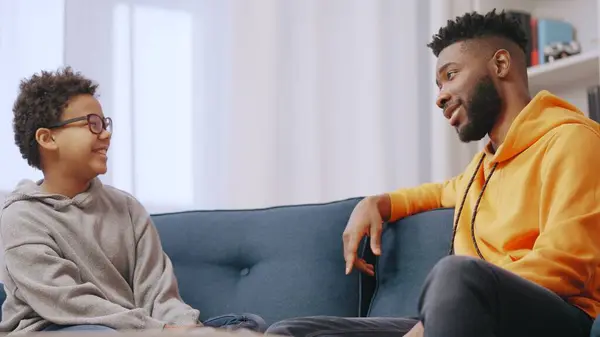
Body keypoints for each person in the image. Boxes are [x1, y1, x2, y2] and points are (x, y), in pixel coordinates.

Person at [266, 9, 600, 337]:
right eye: (438, 85)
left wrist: (445, 309)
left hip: (559, 315)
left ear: (500, 64)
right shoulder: (481, 169)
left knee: (456, 275)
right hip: (468, 313)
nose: (440, 97)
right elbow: (439, 193)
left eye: (451, 75)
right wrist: (377, 203)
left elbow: (565, 266)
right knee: (293, 331)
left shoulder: (572, 140)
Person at [0, 67, 266, 334]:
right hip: (58, 329)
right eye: (92, 123)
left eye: (105, 124)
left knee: (248, 324)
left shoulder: (126, 208)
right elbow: (68, 303)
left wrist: (186, 327)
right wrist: (162, 331)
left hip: (135, 331)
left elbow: (159, 295)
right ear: (48, 138)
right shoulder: (21, 217)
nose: (105, 134)